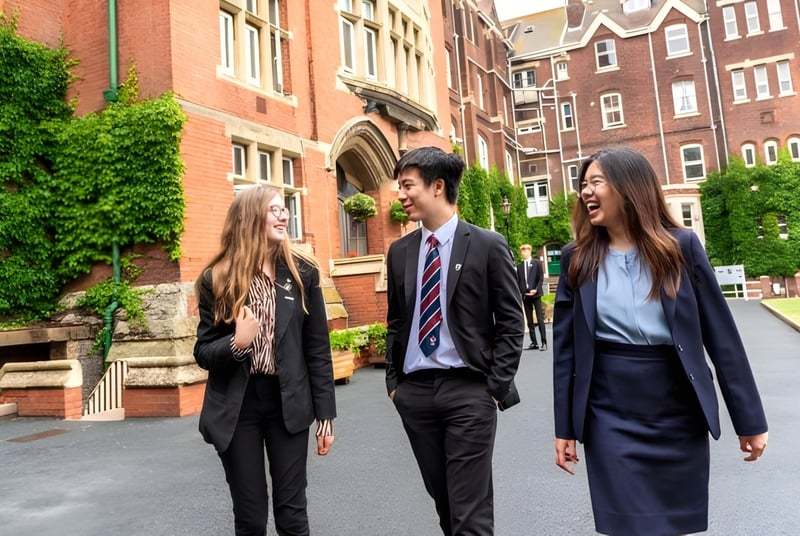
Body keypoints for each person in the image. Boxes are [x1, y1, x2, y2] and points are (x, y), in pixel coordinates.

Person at [552, 146, 768, 536]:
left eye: (596, 182)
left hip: (676, 409)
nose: (585, 191)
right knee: (628, 526)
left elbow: (722, 338)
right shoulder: (576, 259)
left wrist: (749, 421)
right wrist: (564, 428)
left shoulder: (681, 247)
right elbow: (565, 355)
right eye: (582, 184)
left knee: (671, 527)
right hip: (607, 412)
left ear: (630, 187)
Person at [385, 146, 524, 535]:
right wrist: (395, 384)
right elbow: (396, 320)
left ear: (438, 186)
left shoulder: (486, 245)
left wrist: (494, 386)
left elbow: (511, 322)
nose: (401, 195)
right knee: (446, 503)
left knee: (470, 511)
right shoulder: (400, 252)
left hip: (469, 390)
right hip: (415, 394)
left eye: (407, 185)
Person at [193, 185, 336, 536]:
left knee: (292, 514)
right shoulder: (218, 279)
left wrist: (326, 414)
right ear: (248, 218)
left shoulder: (303, 273)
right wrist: (237, 344)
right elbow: (203, 352)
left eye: (284, 208)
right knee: (251, 516)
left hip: (288, 402)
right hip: (238, 408)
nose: (283, 214)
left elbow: (317, 349)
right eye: (274, 209)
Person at [516, 244, 547, 351]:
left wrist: (536, 289)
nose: (524, 253)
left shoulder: (537, 263)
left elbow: (540, 277)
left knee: (540, 318)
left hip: (536, 294)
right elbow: (519, 281)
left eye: (525, 250)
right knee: (529, 320)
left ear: (530, 251)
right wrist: (523, 292)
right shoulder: (520, 267)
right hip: (526, 296)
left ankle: (544, 342)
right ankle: (534, 342)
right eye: (522, 251)